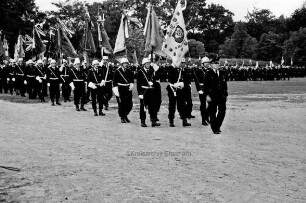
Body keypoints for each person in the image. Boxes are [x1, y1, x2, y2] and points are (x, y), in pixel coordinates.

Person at [204, 56, 228, 134]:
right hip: (212, 96)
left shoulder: (222, 73)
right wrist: (207, 95)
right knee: (213, 112)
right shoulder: (208, 73)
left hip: (221, 96)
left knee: (222, 112)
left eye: (218, 63)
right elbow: (205, 86)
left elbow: (224, 85)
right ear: (211, 65)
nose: (218, 64)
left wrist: (226, 94)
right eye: (216, 63)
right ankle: (215, 128)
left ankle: (217, 126)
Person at [137, 58, 161, 127]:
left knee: (152, 106)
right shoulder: (140, 72)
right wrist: (140, 93)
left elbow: (157, 77)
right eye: (147, 64)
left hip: (151, 90)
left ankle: (153, 120)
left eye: (149, 63)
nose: (148, 65)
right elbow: (138, 84)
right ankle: (143, 121)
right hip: (144, 91)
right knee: (143, 107)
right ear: (144, 64)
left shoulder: (152, 70)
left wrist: (157, 69)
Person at [166, 59, 191, 127]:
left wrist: (183, 84)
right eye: (181, 63)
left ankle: (184, 120)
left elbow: (186, 80)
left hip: (180, 90)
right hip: (172, 90)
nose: (183, 64)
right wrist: (176, 84)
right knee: (172, 106)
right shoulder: (171, 68)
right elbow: (170, 78)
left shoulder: (182, 70)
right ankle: (171, 120)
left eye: (183, 63)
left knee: (182, 105)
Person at [112, 58, 134, 123]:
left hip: (127, 88)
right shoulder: (117, 71)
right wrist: (116, 90)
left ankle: (125, 115)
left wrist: (131, 84)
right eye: (124, 63)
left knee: (129, 104)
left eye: (126, 63)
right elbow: (114, 81)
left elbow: (132, 79)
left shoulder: (129, 71)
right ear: (122, 64)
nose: (126, 65)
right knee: (121, 104)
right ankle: (122, 117)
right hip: (120, 89)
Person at [194, 57, 210, 125]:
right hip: (202, 89)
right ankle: (203, 120)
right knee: (203, 105)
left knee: (211, 104)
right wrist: (199, 89)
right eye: (206, 62)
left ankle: (207, 117)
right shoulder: (199, 71)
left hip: (209, 89)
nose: (208, 63)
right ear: (203, 63)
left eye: (208, 62)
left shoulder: (210, 70)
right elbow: (196, 81)